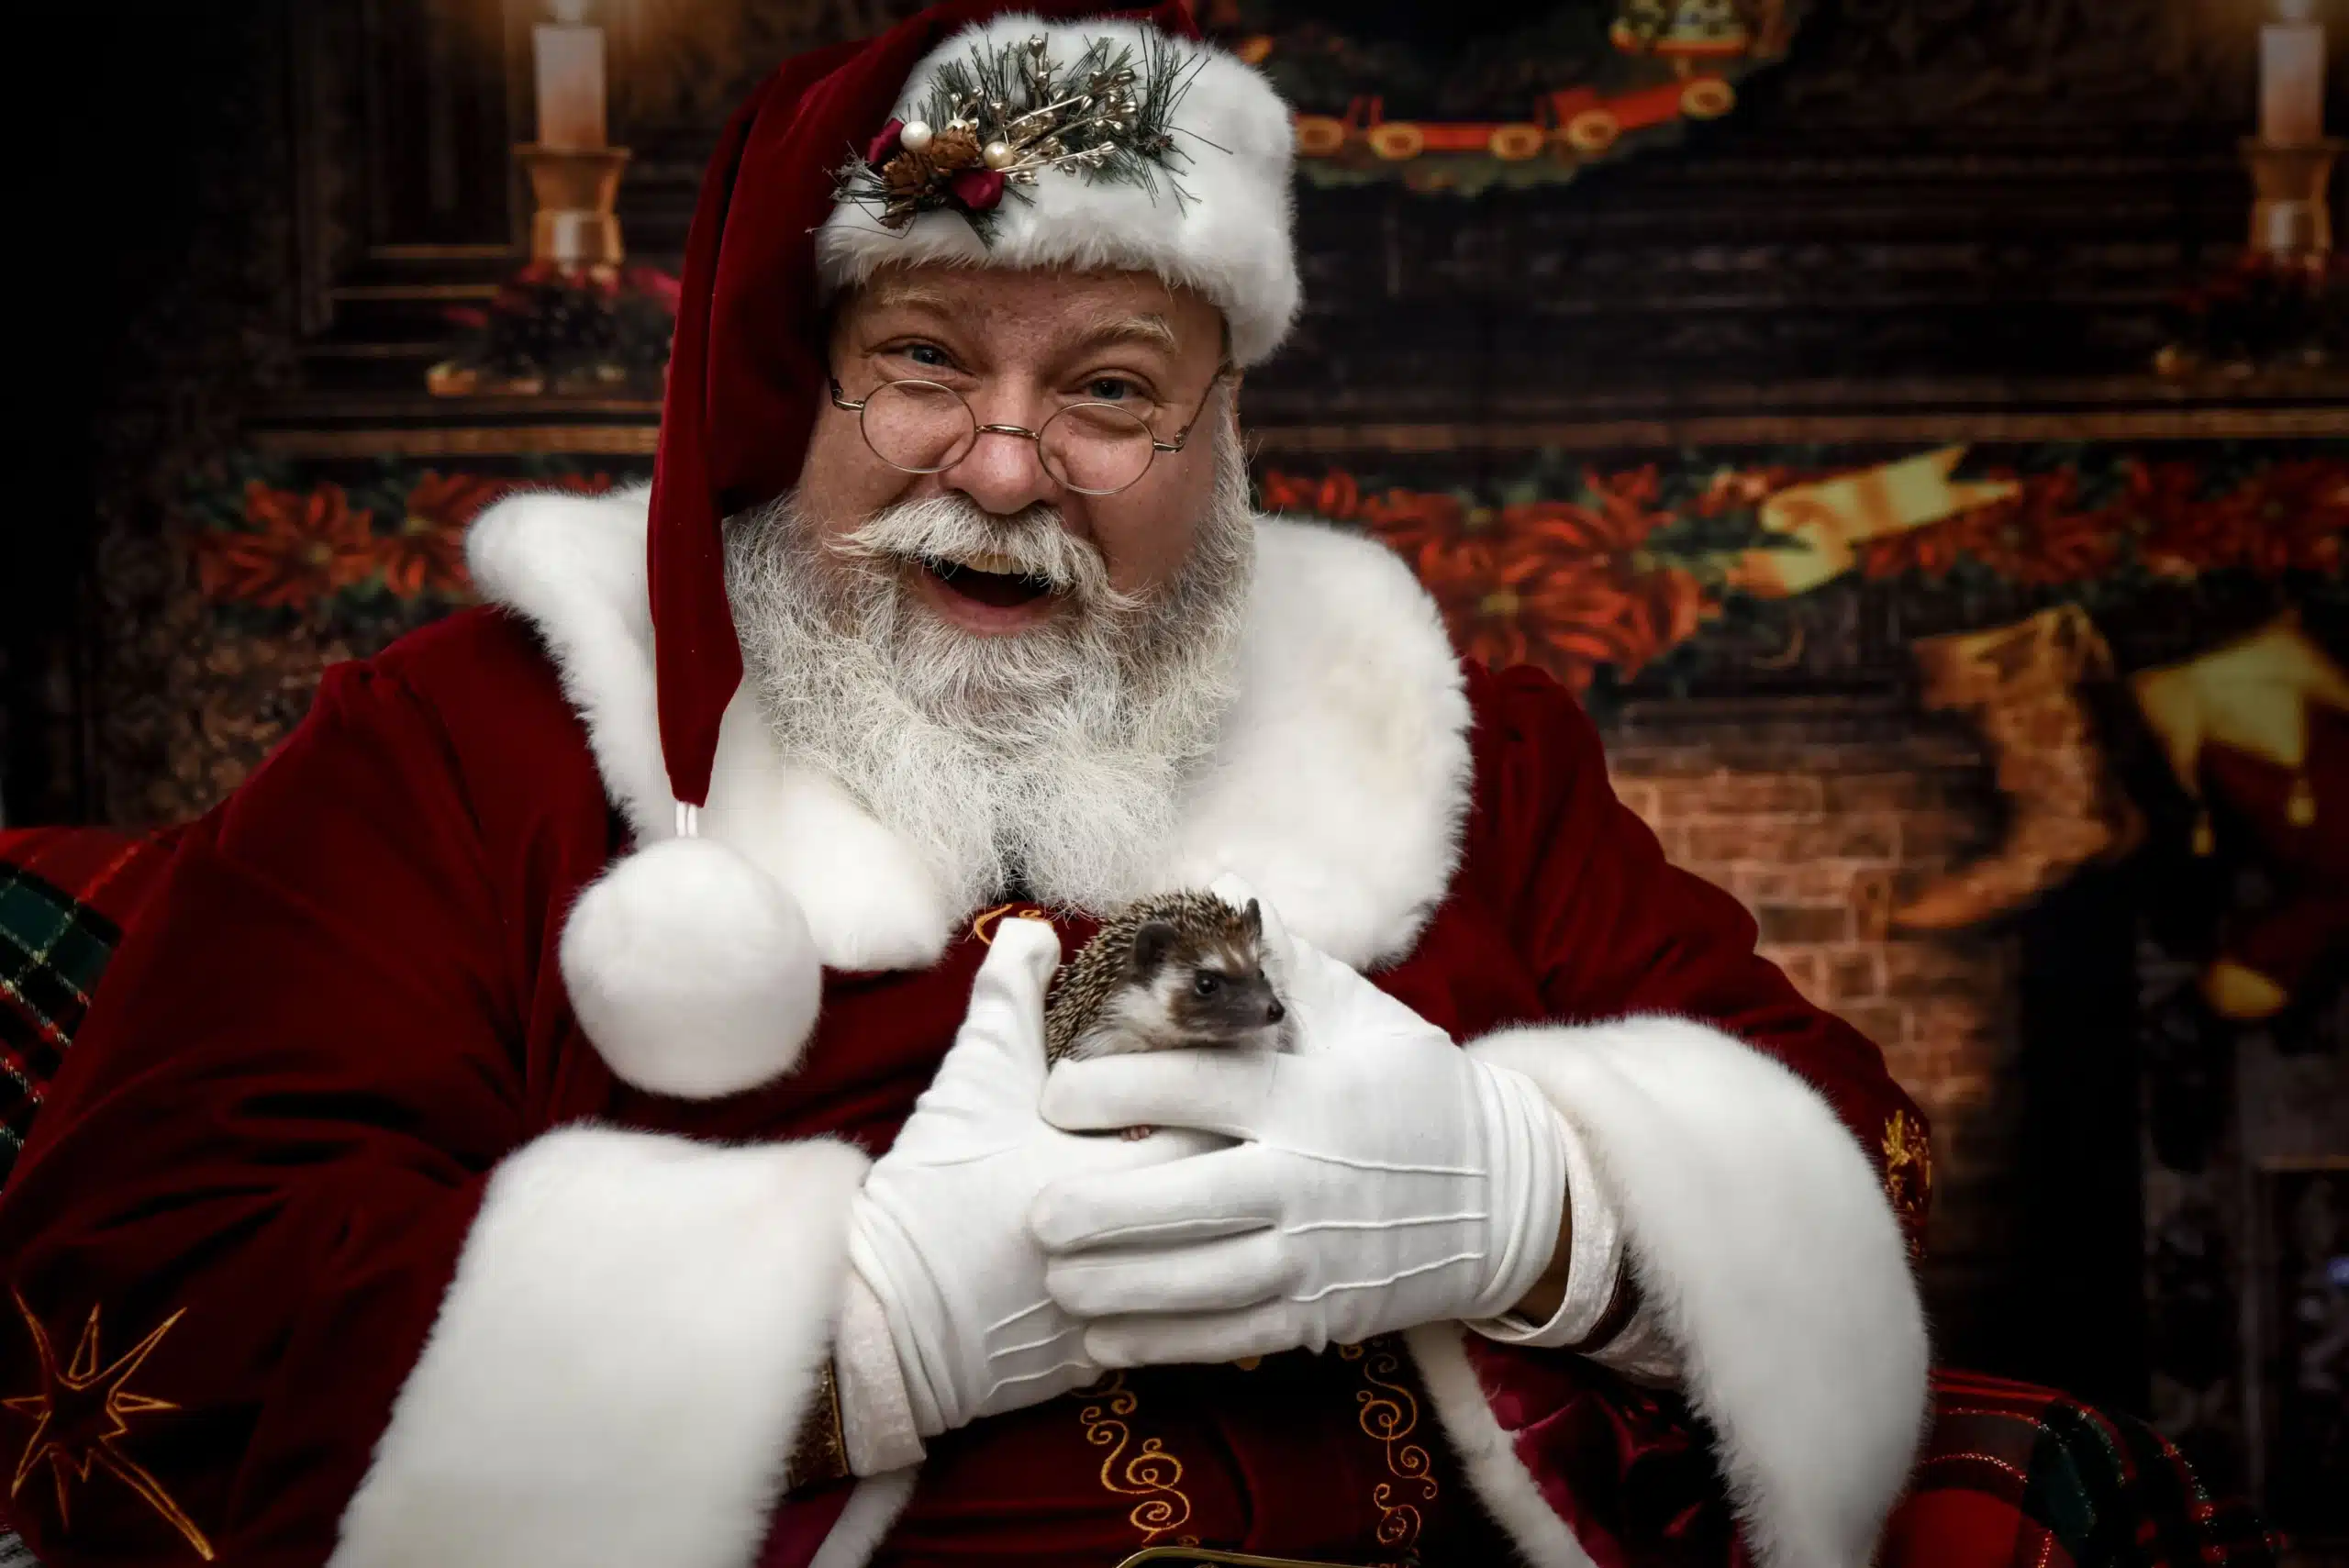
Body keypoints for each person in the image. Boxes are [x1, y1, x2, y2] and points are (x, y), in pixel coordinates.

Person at [0, 4, 1934, 1564]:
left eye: (1107, 388)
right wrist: (842, 1333)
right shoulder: (477, 740)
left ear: (1220, 439)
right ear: (793, 384)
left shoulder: (1447, 738)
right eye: (920, 360)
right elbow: (153, 1271)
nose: (1002, 468)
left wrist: (1539, 1200)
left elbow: (1860, 1158)